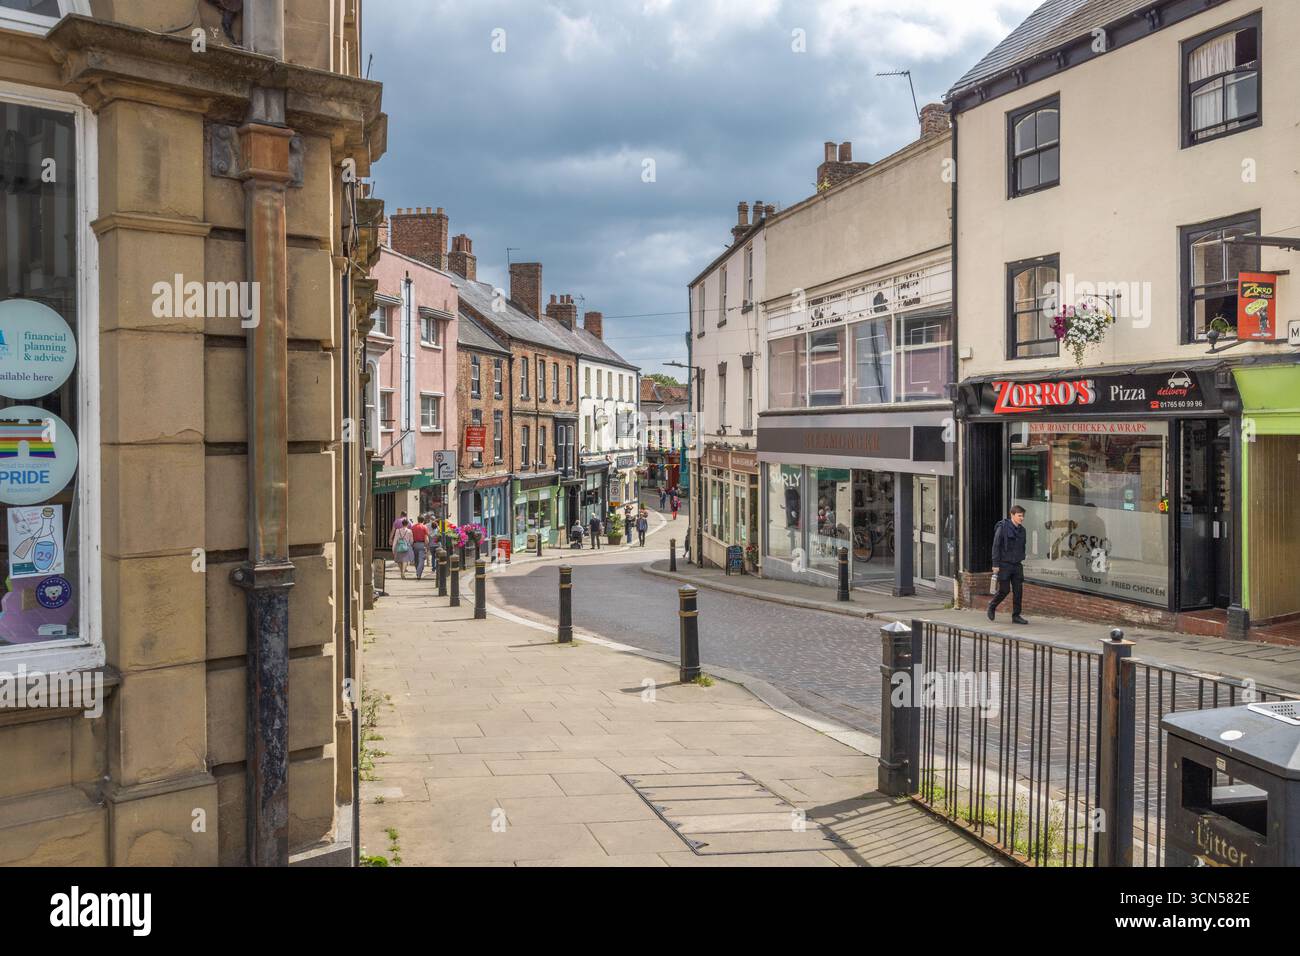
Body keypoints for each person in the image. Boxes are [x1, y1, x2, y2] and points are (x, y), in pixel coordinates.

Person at [988, 505, 1029, 624]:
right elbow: (996, 546)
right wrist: (995, 564)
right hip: (1004, 564)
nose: (1022, 518)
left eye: (1023, 516)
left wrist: (1023, 556)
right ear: (1012, 515)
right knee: (1004, 590)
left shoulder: (1023, 530)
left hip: (1017, 565)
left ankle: (1016, 616)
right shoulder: (1003, 528)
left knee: (1018, 591)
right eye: (1019, 516)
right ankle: (992, 605)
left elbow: (1023, 546)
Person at [410, 514, 431, 579]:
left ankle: (417, 571)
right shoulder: (424, 527)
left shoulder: (413, 527)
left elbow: (411, 536)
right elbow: (426, 537)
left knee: (416, 560)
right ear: (423, 520)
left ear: (417, 520)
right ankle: (419, 573)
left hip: (415, 544)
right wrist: (427, 546)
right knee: (421, 560)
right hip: (422, 544)